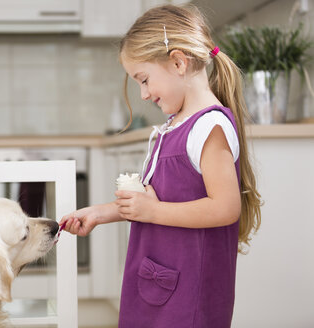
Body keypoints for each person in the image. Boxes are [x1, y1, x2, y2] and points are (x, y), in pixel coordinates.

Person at [59, 4, 262, 328]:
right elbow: (155, 199)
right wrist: (99, 213)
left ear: (178, 62)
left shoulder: (209, 128)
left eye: (144, 79)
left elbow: (225, 208)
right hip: (160, 280)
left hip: (189, 294)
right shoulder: (172, 126)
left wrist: (152, 212)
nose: (142, 94)